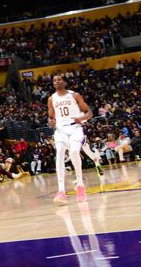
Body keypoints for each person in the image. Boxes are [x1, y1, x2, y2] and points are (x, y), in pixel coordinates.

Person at [48, 74, 93, 204]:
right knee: (60, 152)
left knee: (74, 152)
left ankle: (80, 186)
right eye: (54, 80)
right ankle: (61, 191)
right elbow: (51, 117)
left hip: (75, 128)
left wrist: (82, 119)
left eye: (59, 79)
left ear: (64, 82)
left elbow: (89, 112)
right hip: (60, 129)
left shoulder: (74, 95)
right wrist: (51, 122)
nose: (57, 81)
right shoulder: (51, 98)